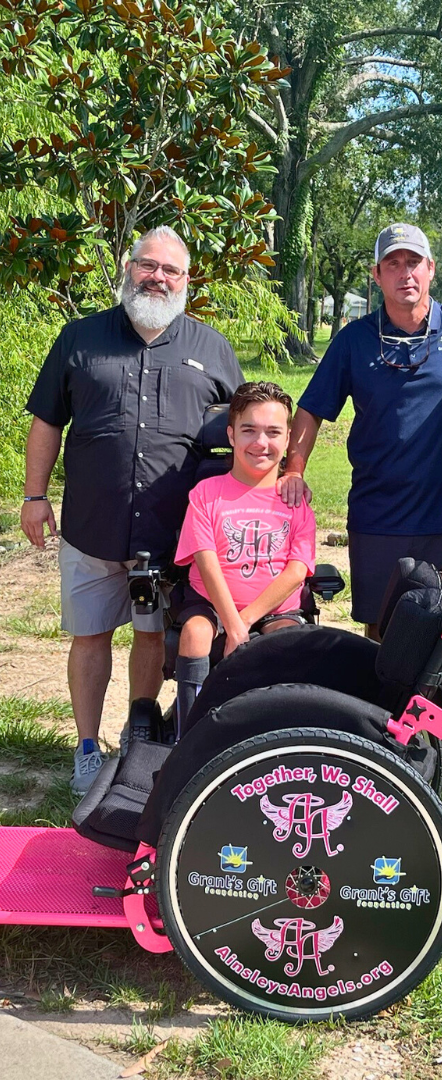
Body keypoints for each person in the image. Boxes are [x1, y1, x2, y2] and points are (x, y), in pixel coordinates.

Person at [21, 226, 244, 793]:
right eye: (149, 265)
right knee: (90, 635)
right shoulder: (80, 338)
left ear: (187, 280)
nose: (158, 277)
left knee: (151, 636)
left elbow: (245, 433)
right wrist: (34, 495)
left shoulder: (211, 347)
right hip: (92, 526)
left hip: (171, 532)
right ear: (128, 266)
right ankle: (88, 747)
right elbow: (47, 420)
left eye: (171, 270)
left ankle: (139, 742)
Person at [280, 223, 442, 640]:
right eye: (394, 264)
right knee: (382, 631)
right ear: (378, 275)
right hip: (379, 514)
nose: (406, 273)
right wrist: (293, 469)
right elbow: (311, 409)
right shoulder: (354, 340)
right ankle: (379, 708)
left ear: (431, 269)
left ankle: (437, 708)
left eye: (414, 262)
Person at [173, 382, 316, 730]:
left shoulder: (296, 500)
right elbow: (205, 562)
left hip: (275, 609)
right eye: (248, 430)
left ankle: (280, 730)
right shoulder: (206, 494)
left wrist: (246, 621)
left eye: (273, 432)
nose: (260, 442)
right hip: (211, 604)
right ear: (231, 435)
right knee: (194, 633)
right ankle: (188, 732)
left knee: (288, 642)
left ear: (287, 440)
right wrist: (233, 624)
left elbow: (297, 571)